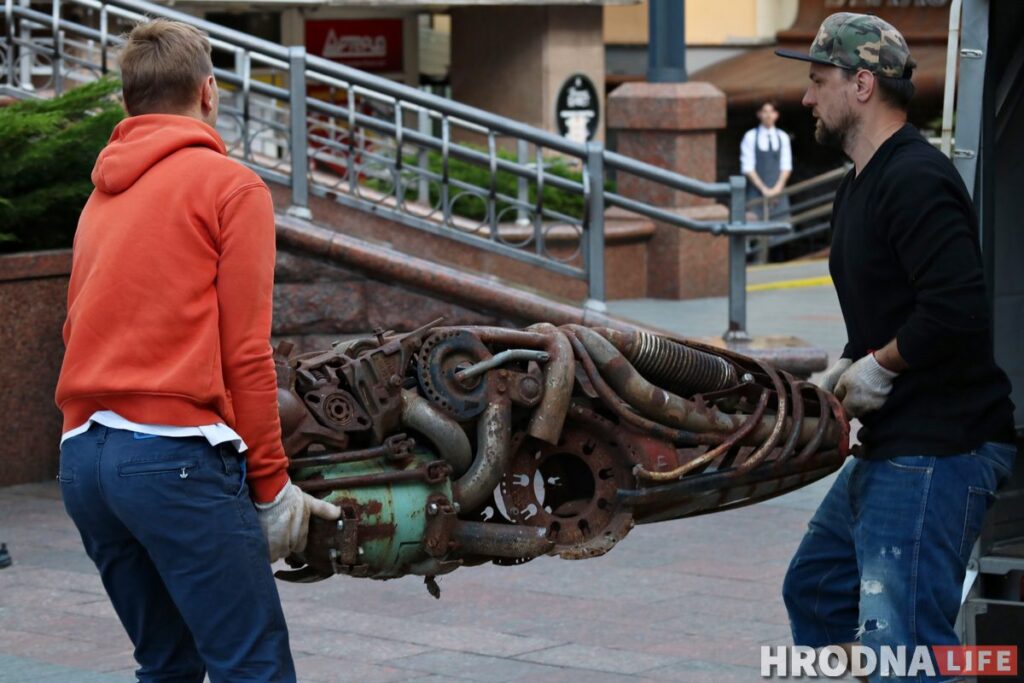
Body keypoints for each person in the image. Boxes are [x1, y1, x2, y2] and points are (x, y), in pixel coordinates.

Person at [55, 19, 340, 682]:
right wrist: (272, 488)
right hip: (171, 460)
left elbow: (73, 331)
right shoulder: (231, 187)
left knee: (167, 665)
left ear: (126, 104)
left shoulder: (99, 197)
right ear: (209, 93)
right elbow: (246, 353)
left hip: (82, 463)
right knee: (253, 665)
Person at [775, 13, 1016, 682]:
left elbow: (957, 305)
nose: (805, 97)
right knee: (817, 588)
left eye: (817, 80)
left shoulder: (915, 177)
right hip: (897, 440)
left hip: (942, 446)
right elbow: (887, 307)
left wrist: (881, 366)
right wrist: (846, 369)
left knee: (904, 645)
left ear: (861, 84)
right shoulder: (859, 183)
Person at [740, 100, 793, 220]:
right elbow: (748, 167)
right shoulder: (750, 136)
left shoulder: (783, 137)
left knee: (781, 230)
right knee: (755, 231)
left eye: (771, 111)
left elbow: (786, 166)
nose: (768, 115)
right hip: (756, 193)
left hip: (778, 193)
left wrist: (776, 190)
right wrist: (764, 190)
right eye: (765, 111)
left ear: (776, 114)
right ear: (759, 114)